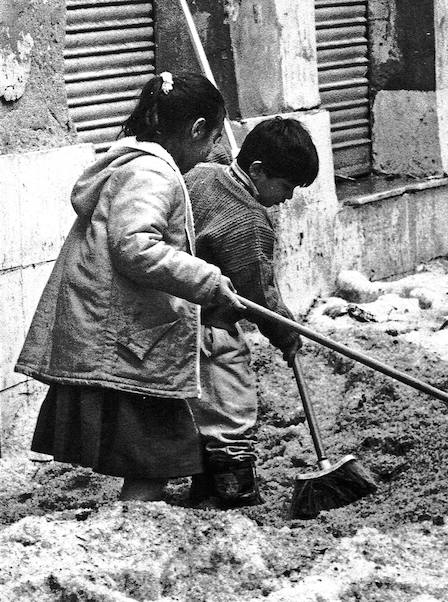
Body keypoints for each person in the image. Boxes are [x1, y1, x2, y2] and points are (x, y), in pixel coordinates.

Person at [15, 72, 245, 502]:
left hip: (125, 331)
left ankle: (138, 517)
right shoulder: (152, 174)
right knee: (154, 453)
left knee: (153, 451)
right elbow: (136, 247)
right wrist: (207, 280)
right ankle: (137, 524)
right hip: (129, 340)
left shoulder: (130, 164)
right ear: (197, 130)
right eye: (213, 138)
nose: (213, 152)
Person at [183, 117, 319, 508]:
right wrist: (287, 335)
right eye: (286, 186)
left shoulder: (203, 174)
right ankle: (233, 495)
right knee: (230, 411)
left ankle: (204, 491)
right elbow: (258, 294)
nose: (288, 197)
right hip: (210, 329)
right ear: (257, 171)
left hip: (171, 319)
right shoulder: (247, 220)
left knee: (200, 413)